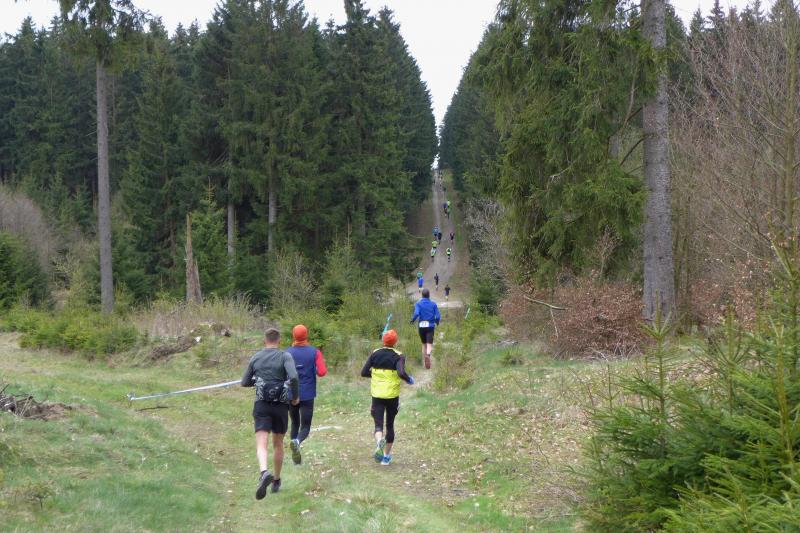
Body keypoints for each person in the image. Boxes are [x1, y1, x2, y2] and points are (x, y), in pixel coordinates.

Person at [241, 328, 299, 499]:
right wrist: (295, 397)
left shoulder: (256, 357)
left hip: (262, 405)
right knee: (278, 444)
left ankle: (264, 472)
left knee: (262, 443)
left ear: (264, 341)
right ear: (279, 341)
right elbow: (294, 377)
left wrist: (258, 382)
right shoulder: (285, 356)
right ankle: (276, 480)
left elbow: (244, 382)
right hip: (280, 406)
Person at [360, 329, 414, 465]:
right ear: (395, 341)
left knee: (378, 424)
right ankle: (385, 457)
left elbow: (364, 372)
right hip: (392, 396)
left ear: (383, 340)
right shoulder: (399, 355)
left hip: (377, 395)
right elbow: (401, 373)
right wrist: (409, 379)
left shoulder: (375, 353)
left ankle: (379, 441)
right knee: (390, 424)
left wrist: (376, 376)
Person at [286, 325, 328, 466]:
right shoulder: (314, 352)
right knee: (305, 427)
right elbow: (322, 372)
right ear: (306, 335)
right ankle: (297, 442)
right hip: (307, 393)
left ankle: (295, 456)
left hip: (291, 393)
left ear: (294, 336)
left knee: (294, 423)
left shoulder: (287, 352)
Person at [410, 288, 441, 369]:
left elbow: (416, 313)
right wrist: (437, 322)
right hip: (430, 326)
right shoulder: (433, 304)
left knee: (424, 344)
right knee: (429, 343)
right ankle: (428, 355)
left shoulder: (418, 304)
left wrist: (412, 320)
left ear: (422, 295)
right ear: (429, 295)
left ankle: (425, 360)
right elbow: (437, 316)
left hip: (421, 326)